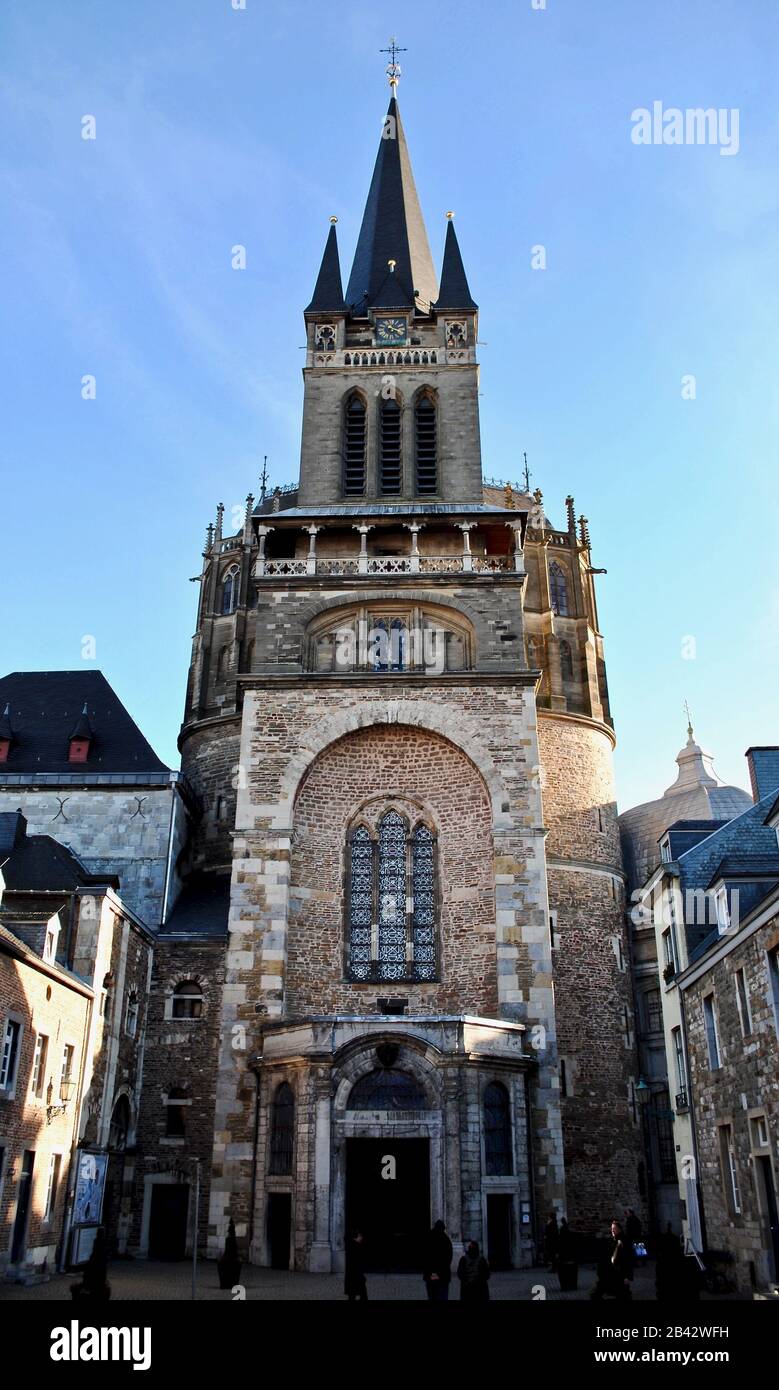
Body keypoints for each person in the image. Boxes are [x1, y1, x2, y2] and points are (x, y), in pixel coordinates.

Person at [590, 1220, 634, 1301]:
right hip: (610, 1272)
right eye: (612, 1228)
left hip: (619, 1273)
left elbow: (627, 1259)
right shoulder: (613, 1241)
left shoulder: (623, 1241)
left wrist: (627, 1276)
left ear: (619, 1229)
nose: (612, 1230)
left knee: (623, 1294)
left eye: (614, 1228)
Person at [423, 1219, 453, 1301]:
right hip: (443, 1276)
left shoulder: (428, 1239)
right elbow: (448, 1259)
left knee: (432, 1296)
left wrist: (433, 1273)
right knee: (442, 1296)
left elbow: (425, 1258)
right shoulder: (446, 1240)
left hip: (430, 1275)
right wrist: (439, 1273)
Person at [344, 1230, 368, 1302]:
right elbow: (356, 1263)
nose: (361, 1238)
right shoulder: (355, 1247)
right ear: (355, 1238)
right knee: (361, 1293)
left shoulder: (352, 1246)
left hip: (353, 1275)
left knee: (352, 1294)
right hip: (356, 1275)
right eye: (360, 1236)